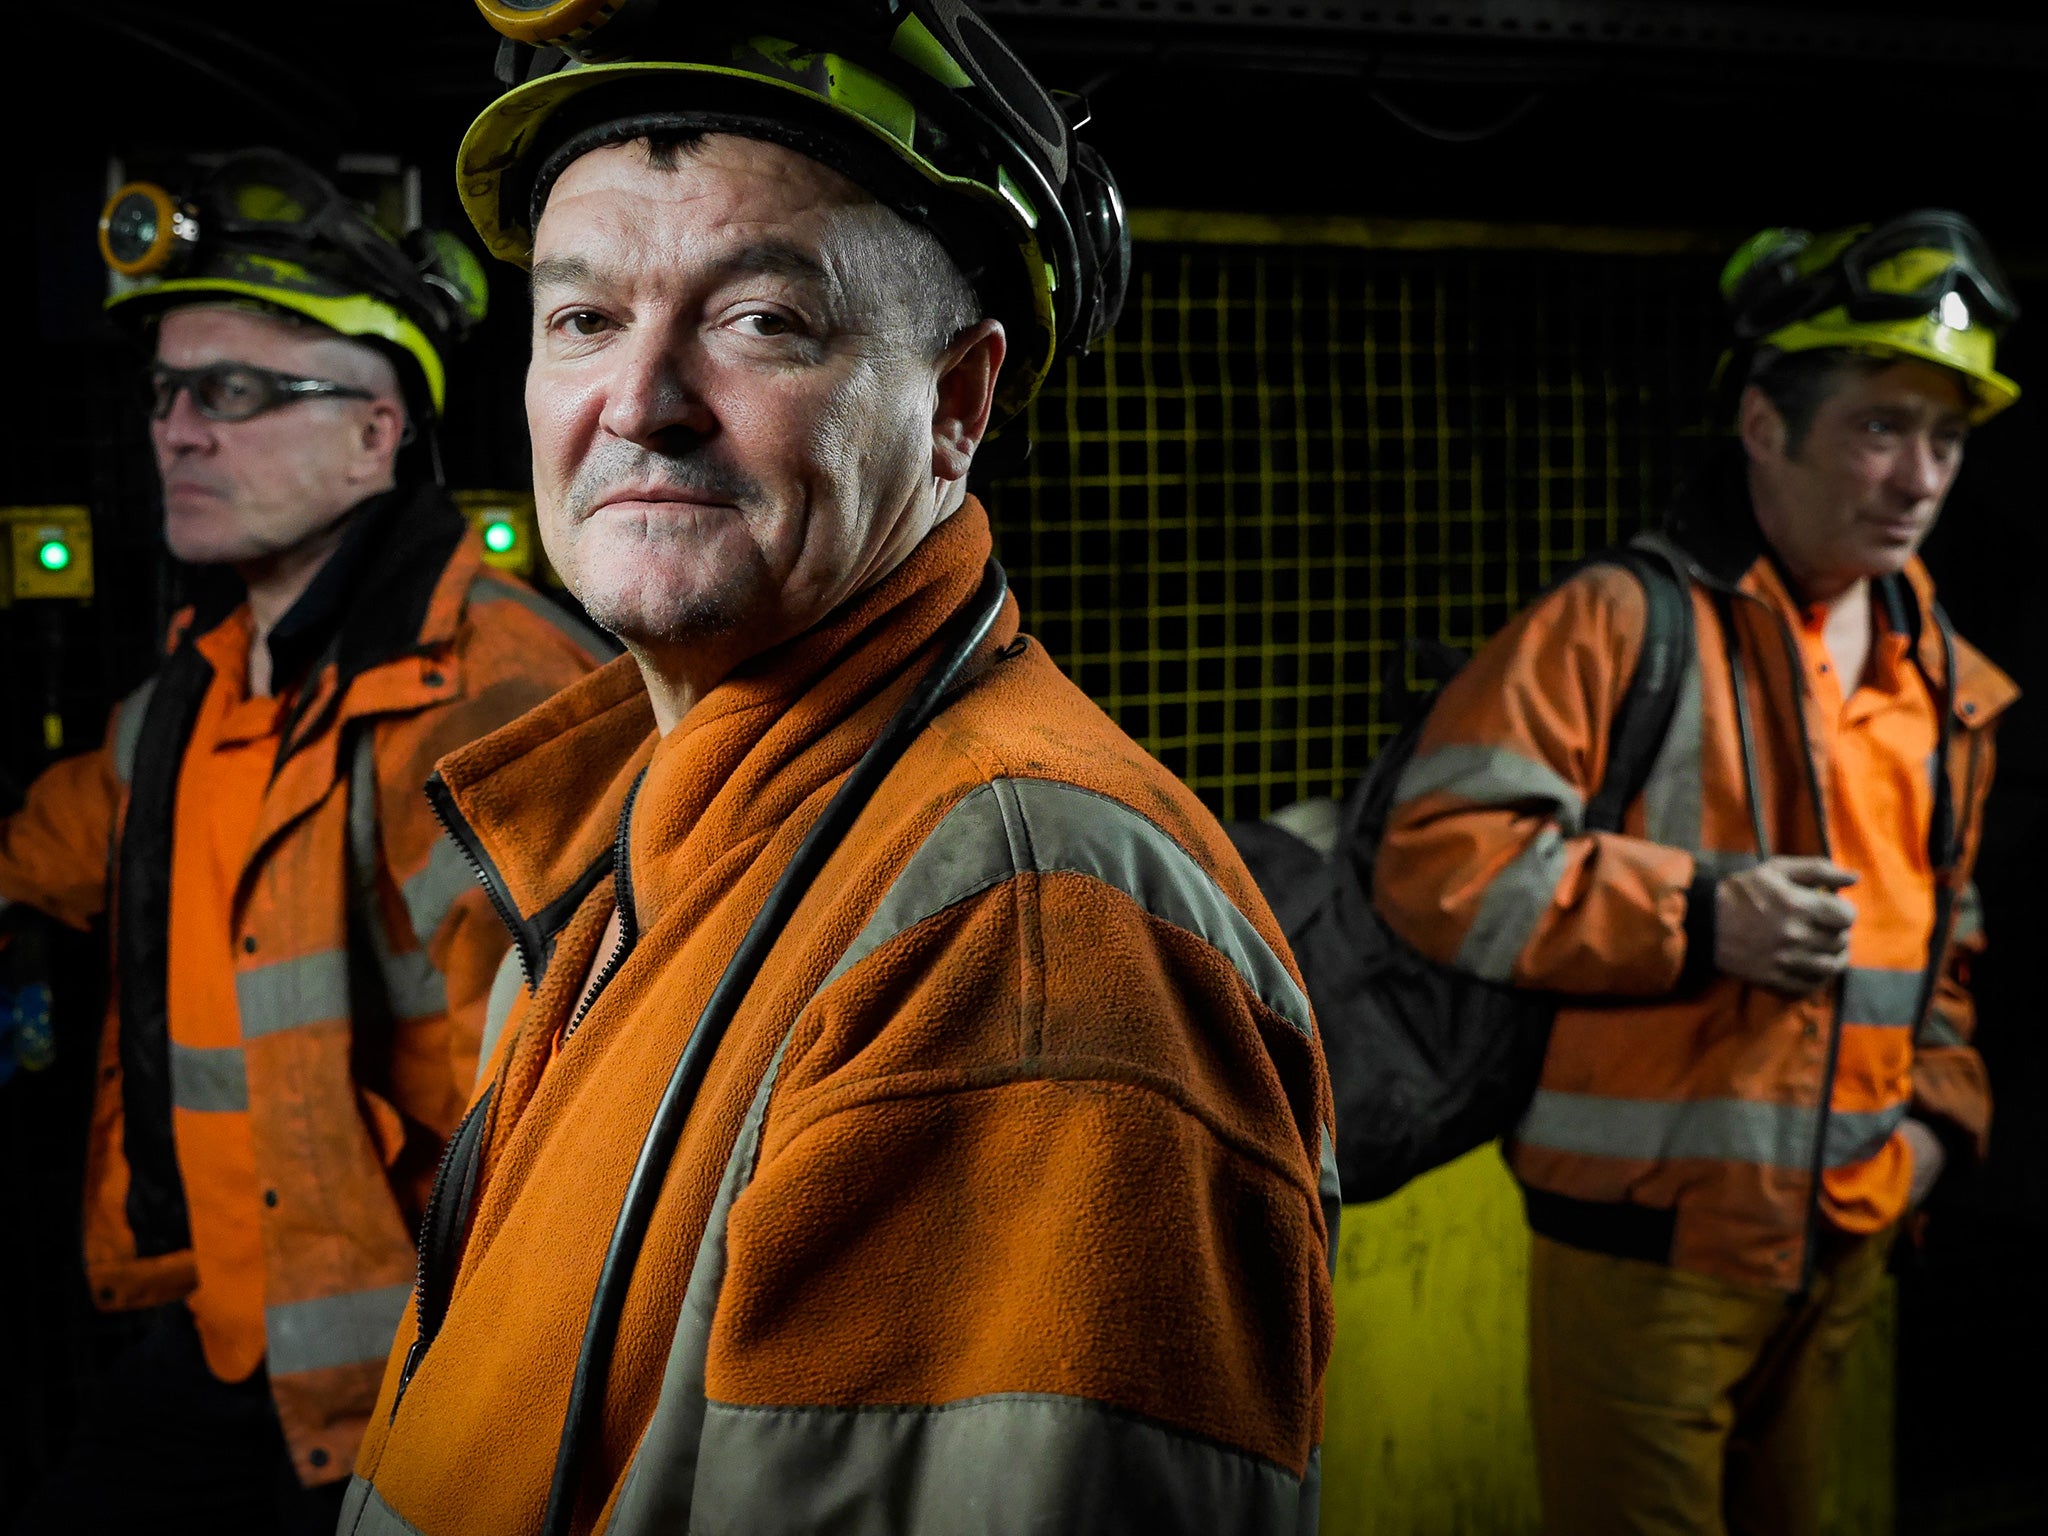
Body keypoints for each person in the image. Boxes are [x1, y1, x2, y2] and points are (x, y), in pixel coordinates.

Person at [340, 6, 1337, 1533]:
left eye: (761, 323)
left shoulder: (1019, 926)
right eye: (583, 321)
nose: (641, 401)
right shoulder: (658, 838)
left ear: (956, 406)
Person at [1374, 211, 2020, 1535]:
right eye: (1880, 427)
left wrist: (1941, 1123)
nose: (1919, 477)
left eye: (1946, 439)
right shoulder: (1623, 623)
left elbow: (1945, 936)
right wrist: (1702, 917)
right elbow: (1437, 859)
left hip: (1847, 1252)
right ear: (1766, 426)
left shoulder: (1942, 677)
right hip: (1647, 1264)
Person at [0, 150, 608, 1534]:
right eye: (166, 390)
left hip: (420, 1384)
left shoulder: (503, 714)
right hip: (223, 1344)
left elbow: (585, 1135)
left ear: (378, 435)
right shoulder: (184, 704)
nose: (178, 431)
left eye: (239, 392)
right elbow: (40, 860)